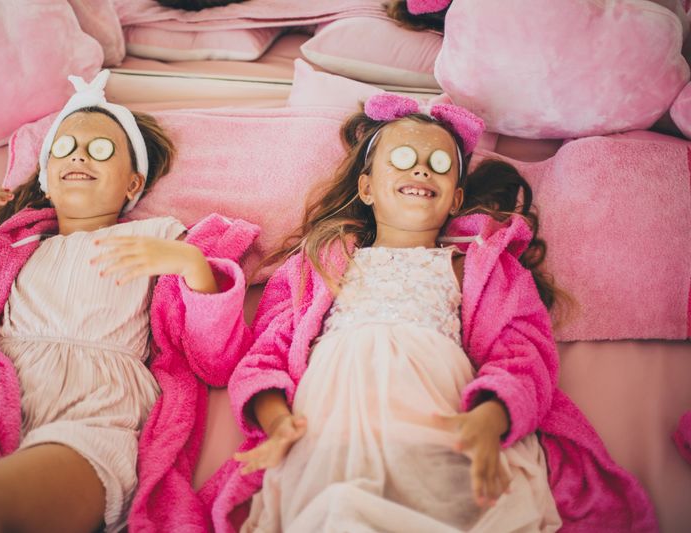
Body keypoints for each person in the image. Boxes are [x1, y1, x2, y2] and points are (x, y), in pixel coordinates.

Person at [214, 93, 657, 532]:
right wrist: (278, 423)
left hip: (438, 416)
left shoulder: (481, 267)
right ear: (367, 188)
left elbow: (525, 353)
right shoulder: (317, 266)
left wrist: (490, 416)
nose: (421, 169)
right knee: (336, 510)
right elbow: (264, 355)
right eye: (403, 157)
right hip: (331, 422)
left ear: (455, 199)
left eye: (439, 164)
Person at [0, 70, 256, 533]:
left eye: (101, 149)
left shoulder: (161, 238)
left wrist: (190, 265)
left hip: (94, 421)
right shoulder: (14, 249)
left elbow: (214, 363)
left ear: (132, 184)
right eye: (64, 147)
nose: (79, 153)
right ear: (46, 178)